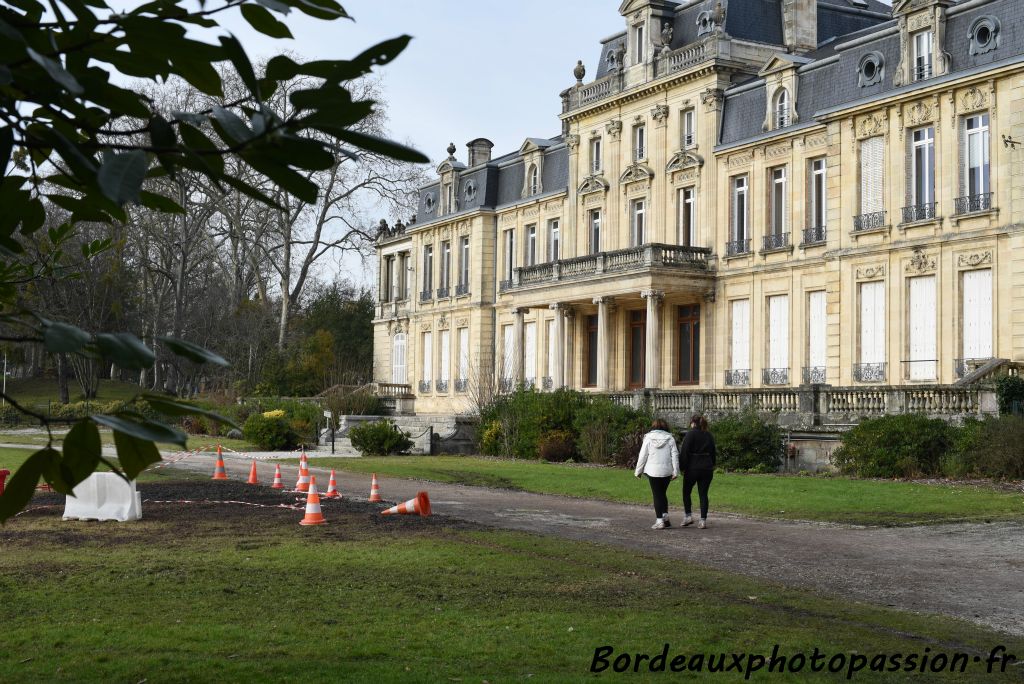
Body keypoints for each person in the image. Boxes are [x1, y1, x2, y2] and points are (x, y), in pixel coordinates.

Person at [634, 419, 680, 529]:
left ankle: (659, 520)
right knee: (662, 493)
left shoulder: (648, 438)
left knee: (657, 495)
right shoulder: (670, 438)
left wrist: (638, 471)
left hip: (652, 471)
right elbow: (675, 455)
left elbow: (643, 455)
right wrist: (676, 471)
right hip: (667, 471)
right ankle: (665, 516)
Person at [679, 415, 716, 529]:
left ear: (693, 423)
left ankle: (688, 515)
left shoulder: (690, 434)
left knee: (686, 492)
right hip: (706, 468)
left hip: (692, 467)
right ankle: (703, 520)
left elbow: (684, 451)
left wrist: (682, 467)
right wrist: (712, 464)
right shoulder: (708, 435)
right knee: (703, 494)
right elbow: (713, 452)